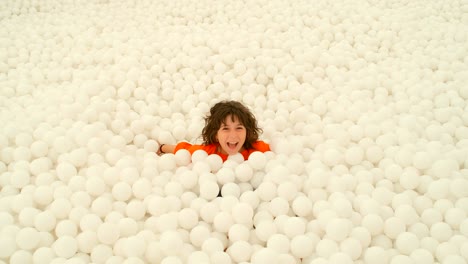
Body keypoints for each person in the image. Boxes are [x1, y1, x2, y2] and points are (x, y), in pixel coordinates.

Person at [158, 100, 270, 161]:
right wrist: (162, 148)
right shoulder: (207, 153)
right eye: (226, 129)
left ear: (247, 132)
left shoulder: (258, 150)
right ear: (216, 134)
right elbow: (184, 149)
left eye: (239, 128)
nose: (233, 135)